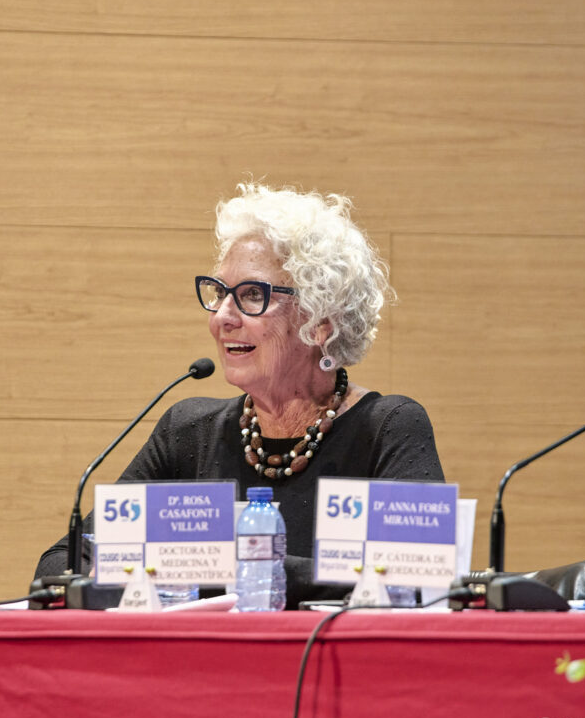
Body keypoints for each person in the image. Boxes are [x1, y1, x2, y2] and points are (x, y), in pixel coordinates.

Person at [34, 183, 444, 605]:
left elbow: (415, 579)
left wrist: (233, 562)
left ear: (322, 320)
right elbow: (62, 563)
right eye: (219, 294)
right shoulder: (189, 431)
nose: (221, 319)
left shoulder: (388, 428)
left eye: (251, 295)